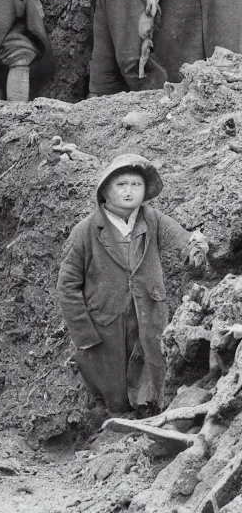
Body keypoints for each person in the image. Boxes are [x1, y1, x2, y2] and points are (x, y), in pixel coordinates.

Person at [57, 154, 208, 413]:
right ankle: (114, 422)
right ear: (105, 191)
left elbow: (180, 237)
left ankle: (149, 414)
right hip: (106, 321)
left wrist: (194, 247)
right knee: (111, 381)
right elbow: (68, 286)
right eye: (121, 185)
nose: (129, 192)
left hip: (149, 313)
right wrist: (84, 334)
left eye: (136, 185)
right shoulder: (85, 231)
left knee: (152, 368)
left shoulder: (153, 219)